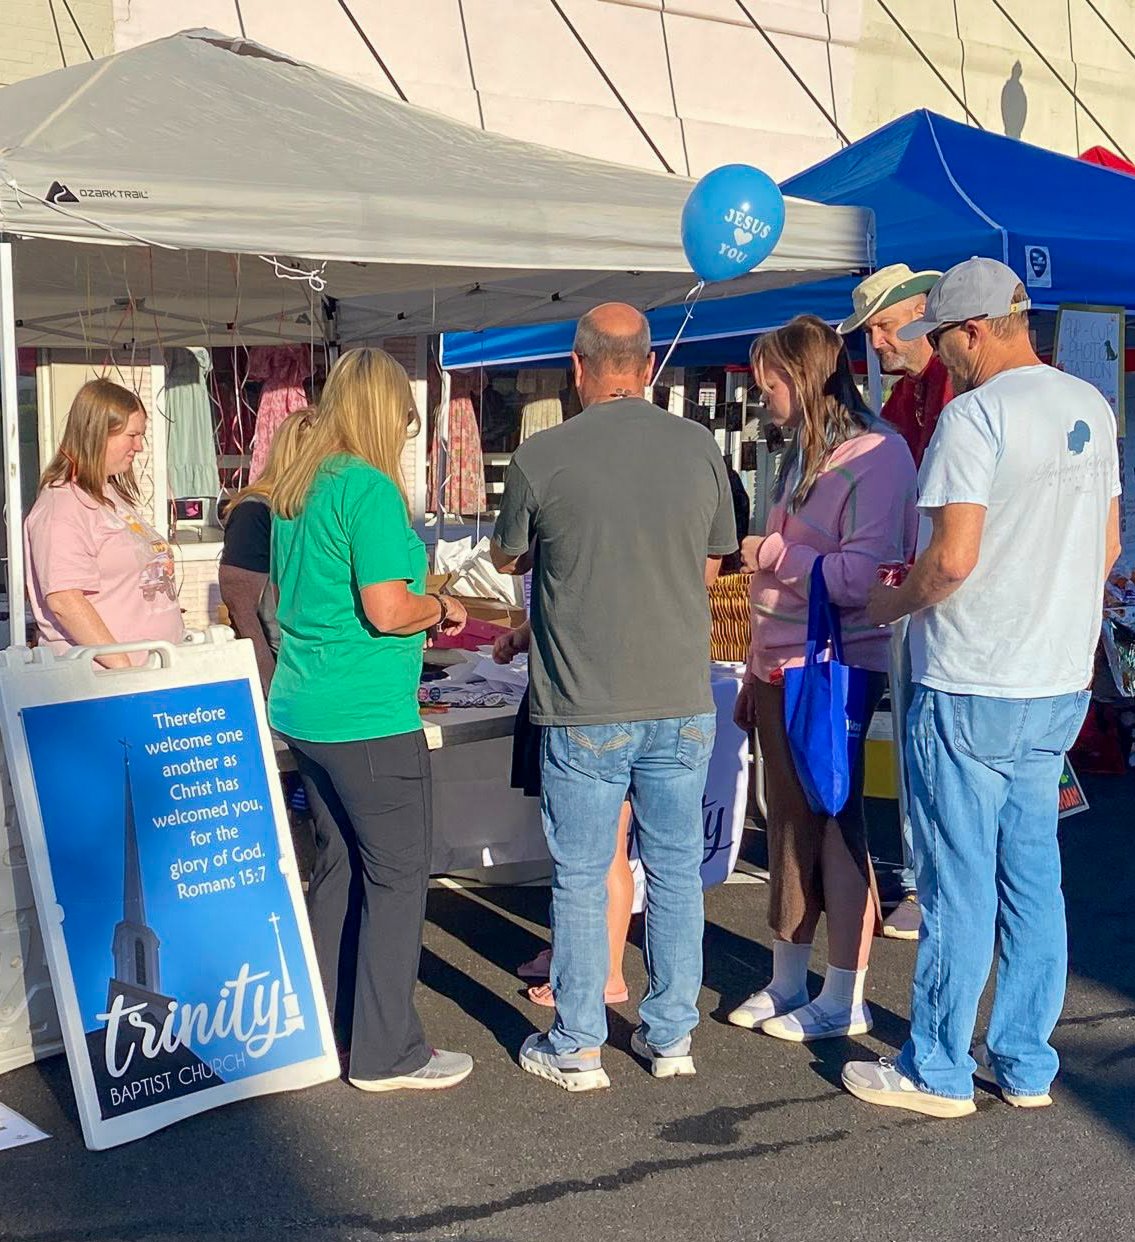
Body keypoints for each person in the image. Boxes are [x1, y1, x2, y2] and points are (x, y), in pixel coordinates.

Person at [843, 258, 1121, 1118]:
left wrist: (891, 601)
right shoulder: (1087, 404)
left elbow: (950, 560)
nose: (940, 357)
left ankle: (935, 1065)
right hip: (1054, 677)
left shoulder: (973, 415)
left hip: (971, 674)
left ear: (969, 331)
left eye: (943, 340)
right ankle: (1027, 1064)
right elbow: (1108, 548)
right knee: (1032, 876)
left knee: (958, 879)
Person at [491, 303, 738, 1091]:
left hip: (585, 703)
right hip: (678, 694)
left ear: (578, 366)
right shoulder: (698, 448)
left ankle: (577, 1043)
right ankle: (669, 1038)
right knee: (672, 873)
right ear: (647, 364)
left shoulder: (543, 454)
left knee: (580, 873)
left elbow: (507, 558)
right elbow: (711, 567)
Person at [269, 347, 472, 1094]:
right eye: (408, 420)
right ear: (387, 415)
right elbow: (389, 611)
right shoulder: (368, 488)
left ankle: (323, 1030)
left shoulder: (299, 484)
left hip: (305, 708)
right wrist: (442, 608)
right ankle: (388, 1052)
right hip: (364, 714)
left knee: (337, 869)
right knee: (396, 880)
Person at [730, 316, 917, 1043]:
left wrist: (771, 550)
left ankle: (844, 993)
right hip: (780, 665)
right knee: (785, 827)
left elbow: (861, 577)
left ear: (804, 378)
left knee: (837, 824)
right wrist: (751, 666)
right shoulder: (803, 451)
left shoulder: (880, 455)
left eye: (770, 380)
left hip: (836, 667)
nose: (761, 394)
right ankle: (786, 978)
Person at [841, 263, 954, 941]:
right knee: (919, 742)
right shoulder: (904, 399)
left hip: (951, 587)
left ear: (918, 313)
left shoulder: (955, 389)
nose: (875, 344)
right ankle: (921, 877)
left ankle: (939, 882)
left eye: (882, 327)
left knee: (943, 744)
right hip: (916, 592)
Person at [496, 620, 634, 1008]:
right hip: (581, 690)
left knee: (603, 850)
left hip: (594, 700)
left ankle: (606, 976)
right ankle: (572, 955)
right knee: (573, 844)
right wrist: (522, 636)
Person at [25, 378, 185, 667]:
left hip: (151, 675)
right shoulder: (62, 506)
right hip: (109, 685)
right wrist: (124, 668)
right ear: (98, 434)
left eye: (142, 435)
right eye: (131, 435)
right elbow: (65, 600)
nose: (139, 446)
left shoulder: (107, 494)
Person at [220, 408, 318, 696]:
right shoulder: (256, 509)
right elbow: (240, 604)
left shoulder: (315, 506)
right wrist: (267, 675)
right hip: (280, 661)